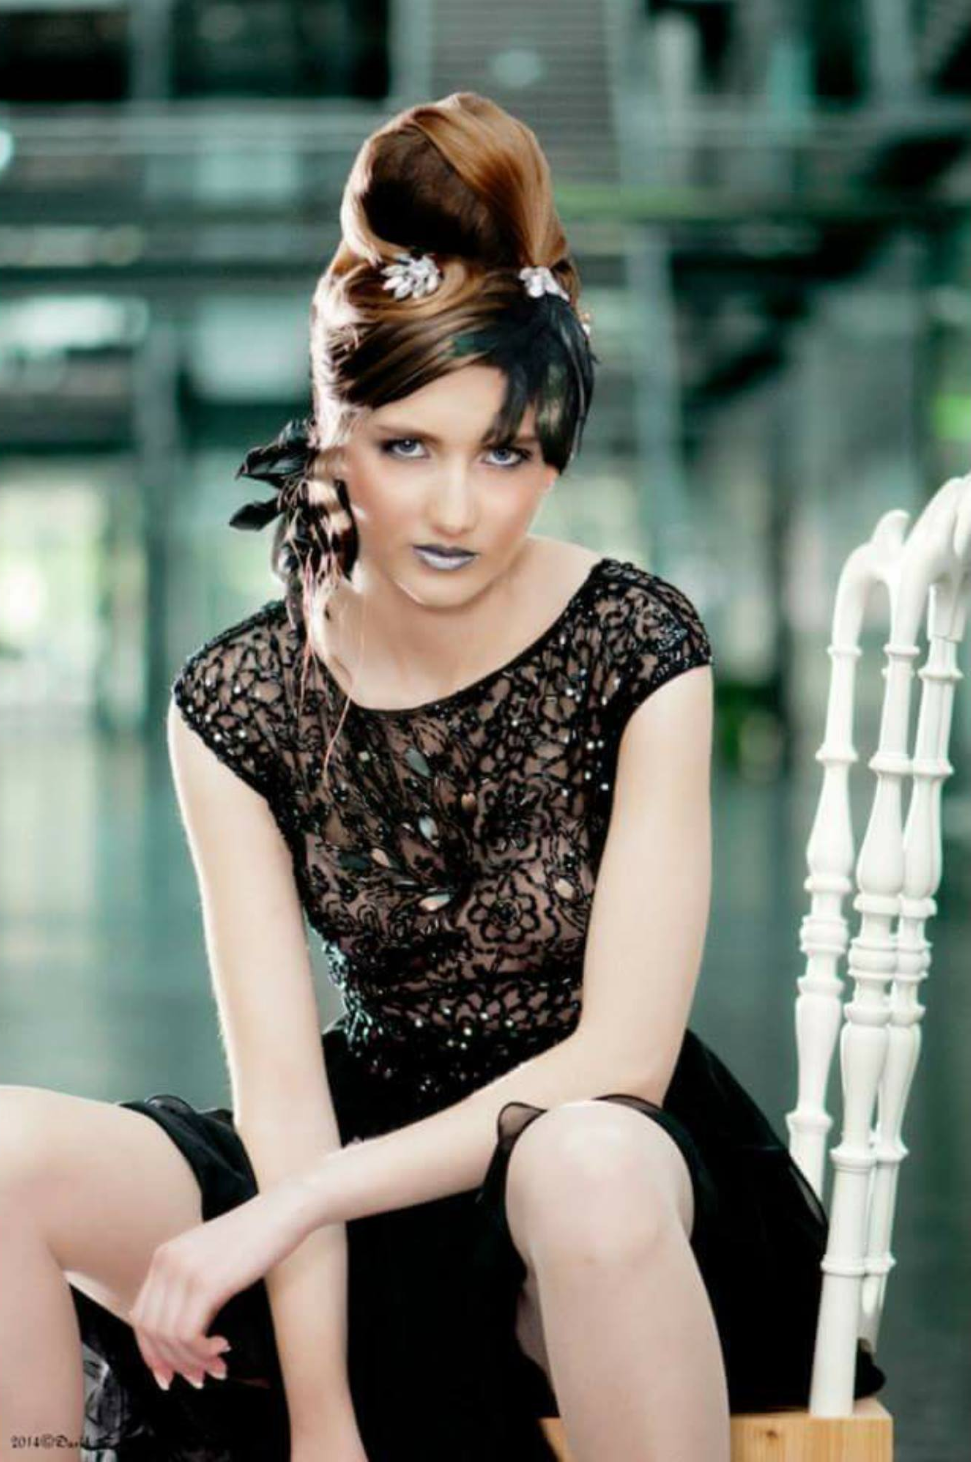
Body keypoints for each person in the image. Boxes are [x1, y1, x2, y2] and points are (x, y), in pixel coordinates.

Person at [0, 91, 886, 1462]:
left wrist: (300, 1202)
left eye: (506, 452)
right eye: (408, 446)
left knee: (583, 1161)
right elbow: (282, 1093)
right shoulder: (239, 699)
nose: (460, 509)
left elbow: (620, 1060)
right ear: (333, 430)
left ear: (552, 448)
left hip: (598, 1167)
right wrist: (324, 1415)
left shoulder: (637, 642)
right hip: (356, 1152)